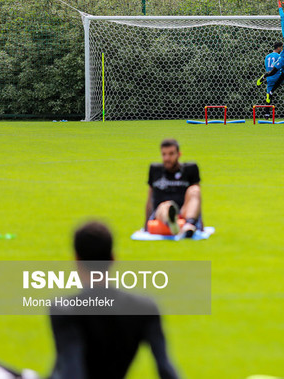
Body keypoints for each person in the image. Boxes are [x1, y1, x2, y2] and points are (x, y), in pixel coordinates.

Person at [49, 221, 179, 378]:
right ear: (112, 258)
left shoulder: (65, 309)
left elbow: (71, 369)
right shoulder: (145, 307)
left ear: (77, 259)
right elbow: (165, 368)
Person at [146, 139, 202, 238]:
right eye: (164, 154)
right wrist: (146, 226)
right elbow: (150, 199)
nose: (167, 158)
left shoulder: (190, 169)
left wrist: (201, 226)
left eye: (171, 154)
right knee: (166, 206)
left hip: (184, 211)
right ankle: (171, 223)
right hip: (160, 213)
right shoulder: (155, 170)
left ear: (179, 154)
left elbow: (197, 199)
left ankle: (189, 225)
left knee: (194, 189)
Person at [256, 0, 284, 104]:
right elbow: (283, 19)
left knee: (283, 77)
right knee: (273, 72)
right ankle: (263, 77)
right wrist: (280, 7)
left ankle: (271, 93)